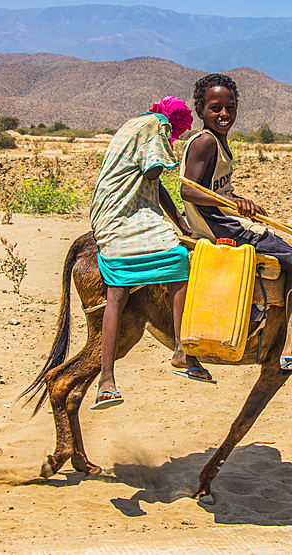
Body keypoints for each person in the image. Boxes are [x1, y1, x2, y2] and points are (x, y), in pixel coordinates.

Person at [180, 73, 292, 374]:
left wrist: (240, 201)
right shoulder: (205, 142)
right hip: (219, 228)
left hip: (224, 221)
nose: (224, 114)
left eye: (230, 107)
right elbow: (188, 189)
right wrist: (234, 205)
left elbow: (214, 190)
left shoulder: (218, 143)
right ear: (200, 111)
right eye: (215, 108)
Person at [89, 96, 212, 410]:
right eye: (177, 131)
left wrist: (179, 220)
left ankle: (107, 380)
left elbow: (152, 187)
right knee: (178, 260)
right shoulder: (153, 125)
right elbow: (155, 173)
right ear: (173, 121)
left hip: (111, 216)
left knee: (117, 293)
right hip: (126, 216)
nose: (175, 136)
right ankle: (182, 349)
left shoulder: (133, 126)